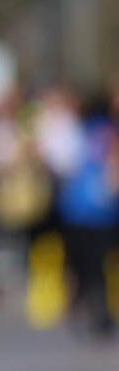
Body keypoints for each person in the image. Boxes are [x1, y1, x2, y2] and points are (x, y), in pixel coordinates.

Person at [54, 92, 118, 341]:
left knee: (91, 267)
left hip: (87, 211)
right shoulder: (86, 132)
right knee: (93, 267)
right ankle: (91, 309)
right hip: (91, 210)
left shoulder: (92, 132)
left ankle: (93, 310)